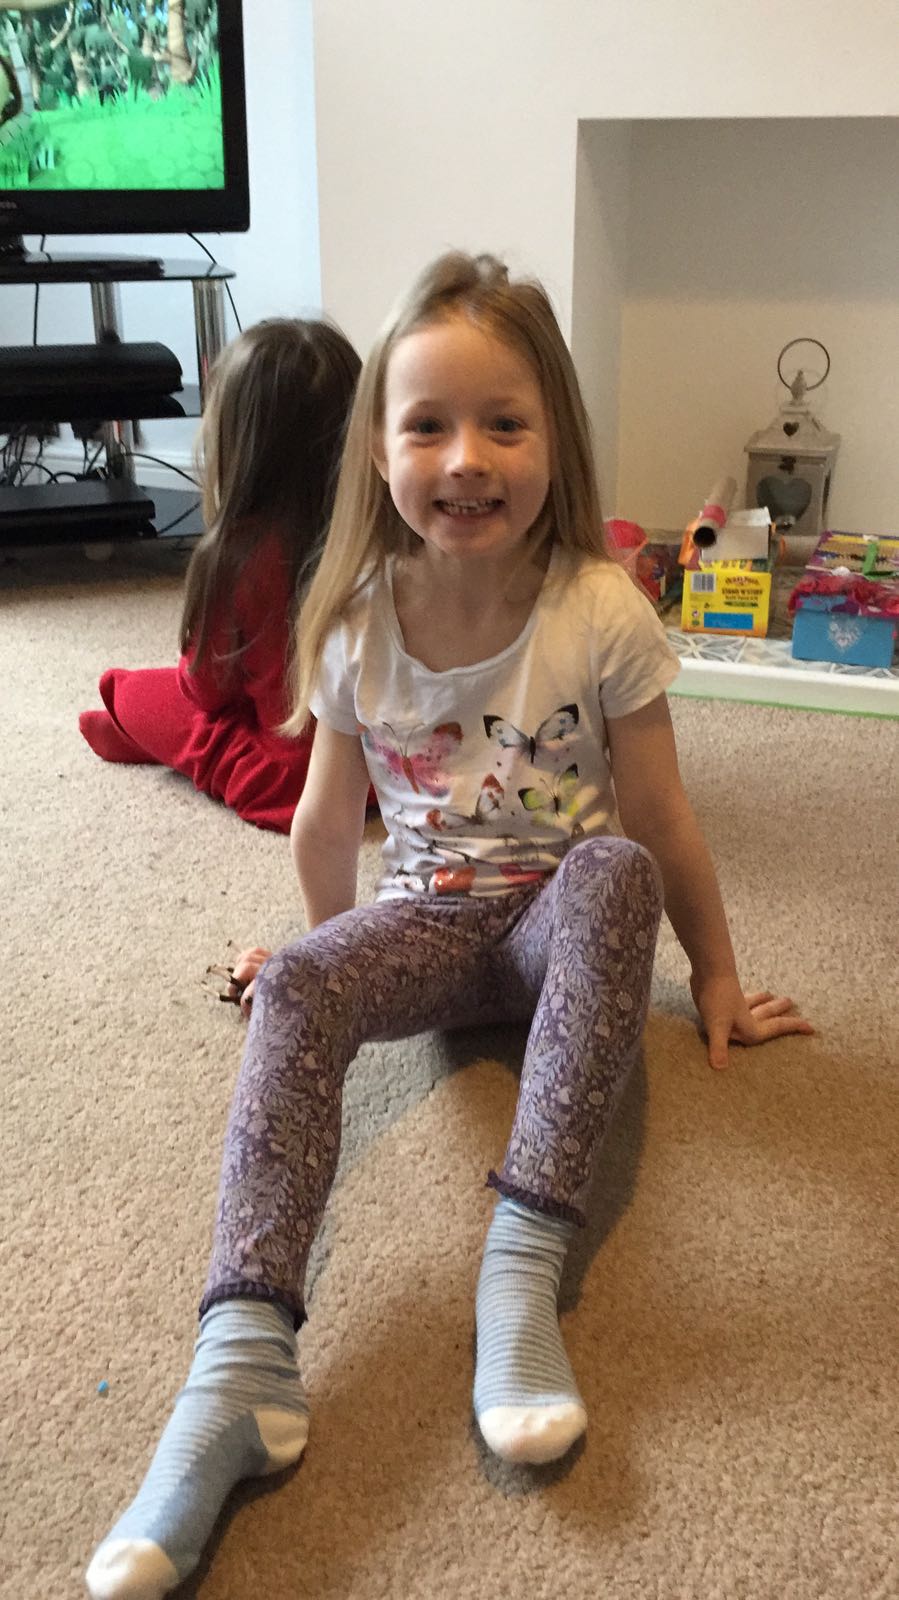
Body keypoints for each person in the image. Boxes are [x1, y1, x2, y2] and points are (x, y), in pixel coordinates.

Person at [86, 252, 813, 1600]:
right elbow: (323, 822)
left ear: (554, 443)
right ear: (376, 450)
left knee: (610, 871)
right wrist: (324, 959)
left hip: (559, 932)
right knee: (294, 984)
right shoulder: (354, 618)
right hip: (426, 924)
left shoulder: (598, 609)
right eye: (426, 424)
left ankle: (517, 1270)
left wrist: (716, 976)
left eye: (503, 424)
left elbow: (660, 815)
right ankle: (240, 1368)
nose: (464, 458)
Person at [78, 317, 362, 834]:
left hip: (291, 780)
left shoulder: (239, 554)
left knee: (134, 692)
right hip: (384, 772)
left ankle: (143, 735)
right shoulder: (386, 540)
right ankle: (147, 735)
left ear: (237, 447)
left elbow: (204, 691)